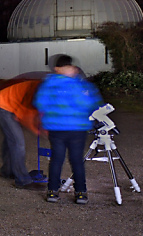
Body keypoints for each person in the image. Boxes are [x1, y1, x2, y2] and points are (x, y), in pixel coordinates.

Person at [33, 54, 103, 205]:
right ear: (71, 67)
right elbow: (92, 103)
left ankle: (52, 191)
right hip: (77, 128)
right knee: (77, 160)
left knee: (56, 160)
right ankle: (81, 193)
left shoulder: (48, 84)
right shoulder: (80, 84)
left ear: (56, 68)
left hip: (56, 128)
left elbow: (40, 103)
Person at [0, 77, 43, 189]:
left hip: (9, 101)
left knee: (11, 139)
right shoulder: (35, 93)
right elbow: (26, 118)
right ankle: (22, 180)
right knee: (18, 142)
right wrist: (39, 131)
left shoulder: (44, 90)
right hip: (3, 105)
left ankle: (7, 171)